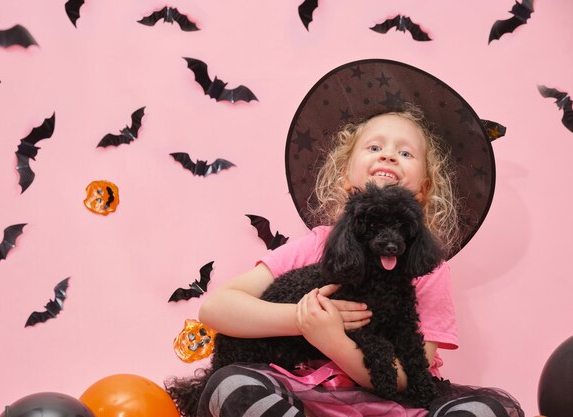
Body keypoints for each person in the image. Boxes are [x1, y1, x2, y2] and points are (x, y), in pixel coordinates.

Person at [193, 59, 524, 417]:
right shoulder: (316, 245)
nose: (388, 154)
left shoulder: (429, 269)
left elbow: (406, 377)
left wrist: (334, 341)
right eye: (374, 147)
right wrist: (304, 321)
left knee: (485, 410)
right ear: (344, 179)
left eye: (406, 152)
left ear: (424, 190)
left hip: (389, 404)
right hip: (303, 397)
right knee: (232, 386)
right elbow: (215, 308)